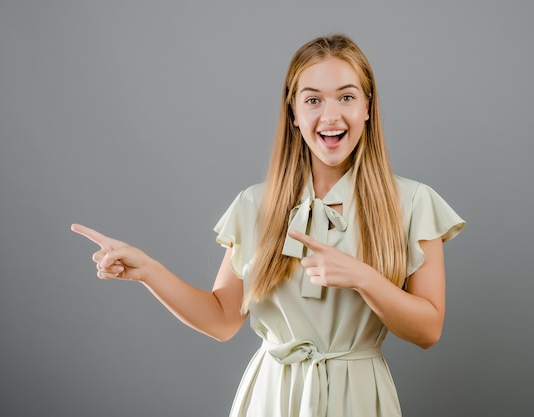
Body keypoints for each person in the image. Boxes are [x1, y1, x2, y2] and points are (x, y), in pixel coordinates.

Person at [71, 33, 465, 417]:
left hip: (359, 396)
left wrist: (363, 277)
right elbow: (222, 320)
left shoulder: (411, 202)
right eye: (313, 100)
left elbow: (428, 330)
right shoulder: (255, 204)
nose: (330, 115)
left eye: (346, 96)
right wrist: (148, 272)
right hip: (272, 397)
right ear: (294, 113)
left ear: (367, 107)